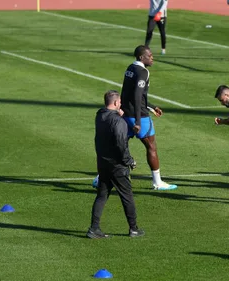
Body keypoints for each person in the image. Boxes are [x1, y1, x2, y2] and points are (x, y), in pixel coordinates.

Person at [88, 90, 144, 239]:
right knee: (127, 196)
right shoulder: (118, 122)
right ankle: (134, 229)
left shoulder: (100, 116)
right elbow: (120, 144)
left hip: (103, 163)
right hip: (117, 165)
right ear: (115, 103)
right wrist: (129, 161)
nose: (121, 104)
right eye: (119, 102)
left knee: (101, 196)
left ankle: (94, 228)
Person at [121, 45, 177, 191]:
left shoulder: (130, 68)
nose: (152, 58)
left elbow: (128, 93)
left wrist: (151, 107)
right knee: (151, 147)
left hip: (125, 114)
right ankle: (157, 182)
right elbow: (138, 95)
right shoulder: (143, 72)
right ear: (141, 57)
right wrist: (139, 121)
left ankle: (100, 178)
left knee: (119, 146)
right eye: (150, 56)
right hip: (138, 117)